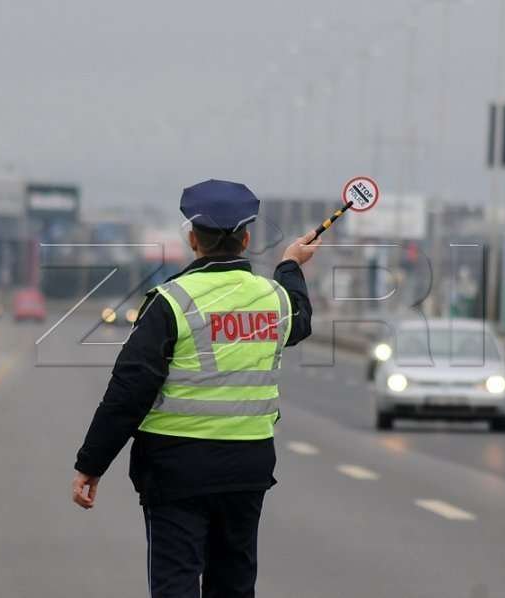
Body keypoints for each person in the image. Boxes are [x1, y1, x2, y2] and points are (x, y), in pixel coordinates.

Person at [71, 179, 319, 597]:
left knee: (176, 584)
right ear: (245, 238)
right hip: (247, 469)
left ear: (192, 239)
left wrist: (91, 464)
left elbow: (129, 390)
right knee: (235, 585)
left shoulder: (171, 302)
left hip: (176, 470)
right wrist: (290, 265)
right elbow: (301, 318)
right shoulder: (272, 299)